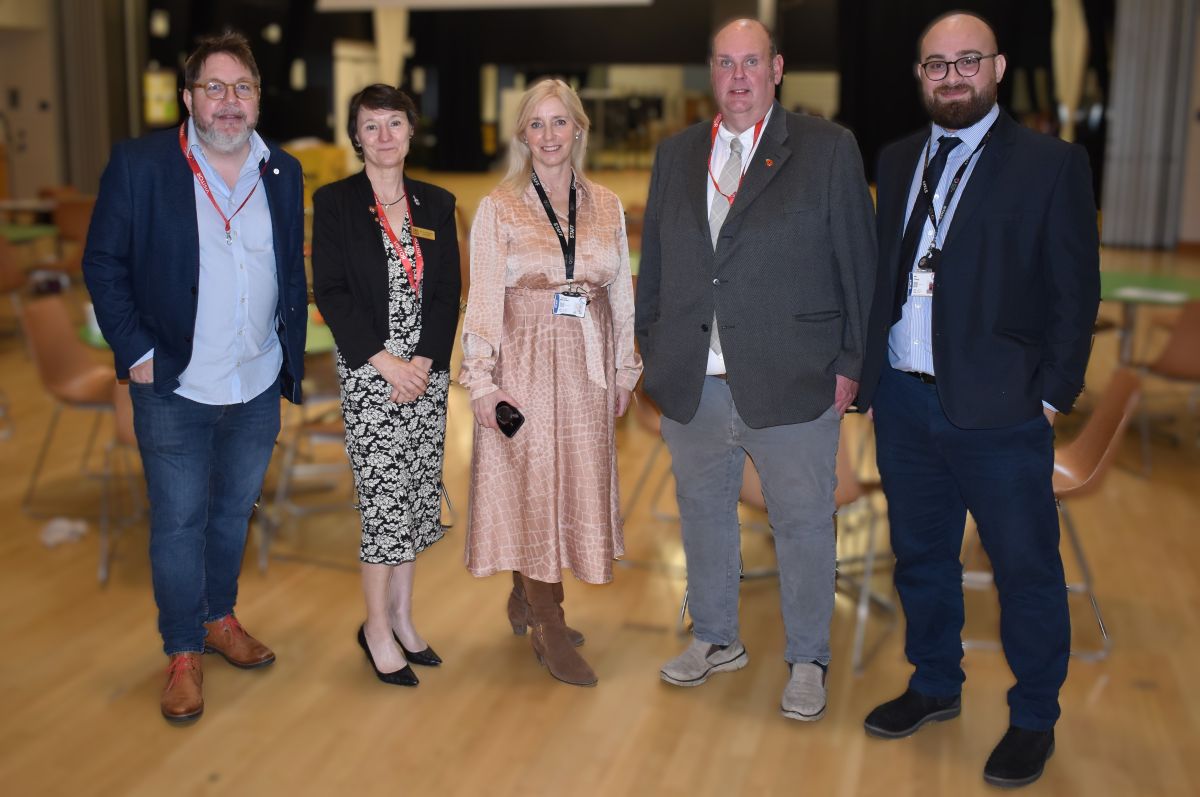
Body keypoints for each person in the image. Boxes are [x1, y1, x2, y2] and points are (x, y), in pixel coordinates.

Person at [854, 12, 1100, 788]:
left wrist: (1053, 398)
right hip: (904, 402)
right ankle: (934, 683)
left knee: (1025, 570)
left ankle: (1034, 717)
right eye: (936, 65)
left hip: (1003, 416)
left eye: (967, 61)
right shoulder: (896, 160)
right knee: (921, 559)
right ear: (920, 77)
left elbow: (1074, 291)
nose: (951, 76)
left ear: (995, 68)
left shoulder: (1050, 165)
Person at [634, 18, 876, 720]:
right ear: (711, 72)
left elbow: (858, 265)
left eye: (751, 62)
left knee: (802, 522)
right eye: (724, 63)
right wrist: (654, 345)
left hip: (795, 378)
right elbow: (657, 263)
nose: (738, 77)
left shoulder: (827, 150)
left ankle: (807, 657)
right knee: (704, 513)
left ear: (777, 70)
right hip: (694, 380)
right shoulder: (676, 154)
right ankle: (715, 637)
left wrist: (853, 361)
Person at [82, 31, 307, 723]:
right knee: (178, 522)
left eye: (242, 88)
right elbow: (103, 264)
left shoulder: (284, 169)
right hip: (175, 382)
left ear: (258, 98)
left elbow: (287, 267)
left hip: (256, 380)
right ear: (188, 97)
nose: (229, 102)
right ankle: (182, 649)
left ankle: (220, 617)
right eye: (214, 87)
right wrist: (139, 352)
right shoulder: (142, 164)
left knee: (233, 511)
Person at [460, 78, 642, 687]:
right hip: (524, 368)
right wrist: (482, 383)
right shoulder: (498, 208)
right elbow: (481, 301)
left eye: (559, 122)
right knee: (533, 484)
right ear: (522, 134)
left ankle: (526, 597)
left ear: (579, 129)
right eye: (536, 124)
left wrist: (623, 370)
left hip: (587, 370)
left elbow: (621, 296)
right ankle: (549, 621)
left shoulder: (608, 205)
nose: (548, 135)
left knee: (571, 486)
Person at [311, 85, 461, 687]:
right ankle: (375, 625)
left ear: (411, 130)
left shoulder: (437, 202)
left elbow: (447, 290)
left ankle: (402, 615)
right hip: (371, 373)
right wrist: (386, 362)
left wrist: (422, 360)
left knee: (417, 494)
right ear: (355, 136)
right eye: (370, 126)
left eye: (394, 123)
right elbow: (333, 292)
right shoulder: (336, 203)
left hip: (425, 374)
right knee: (384, 502)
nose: (383, 136)